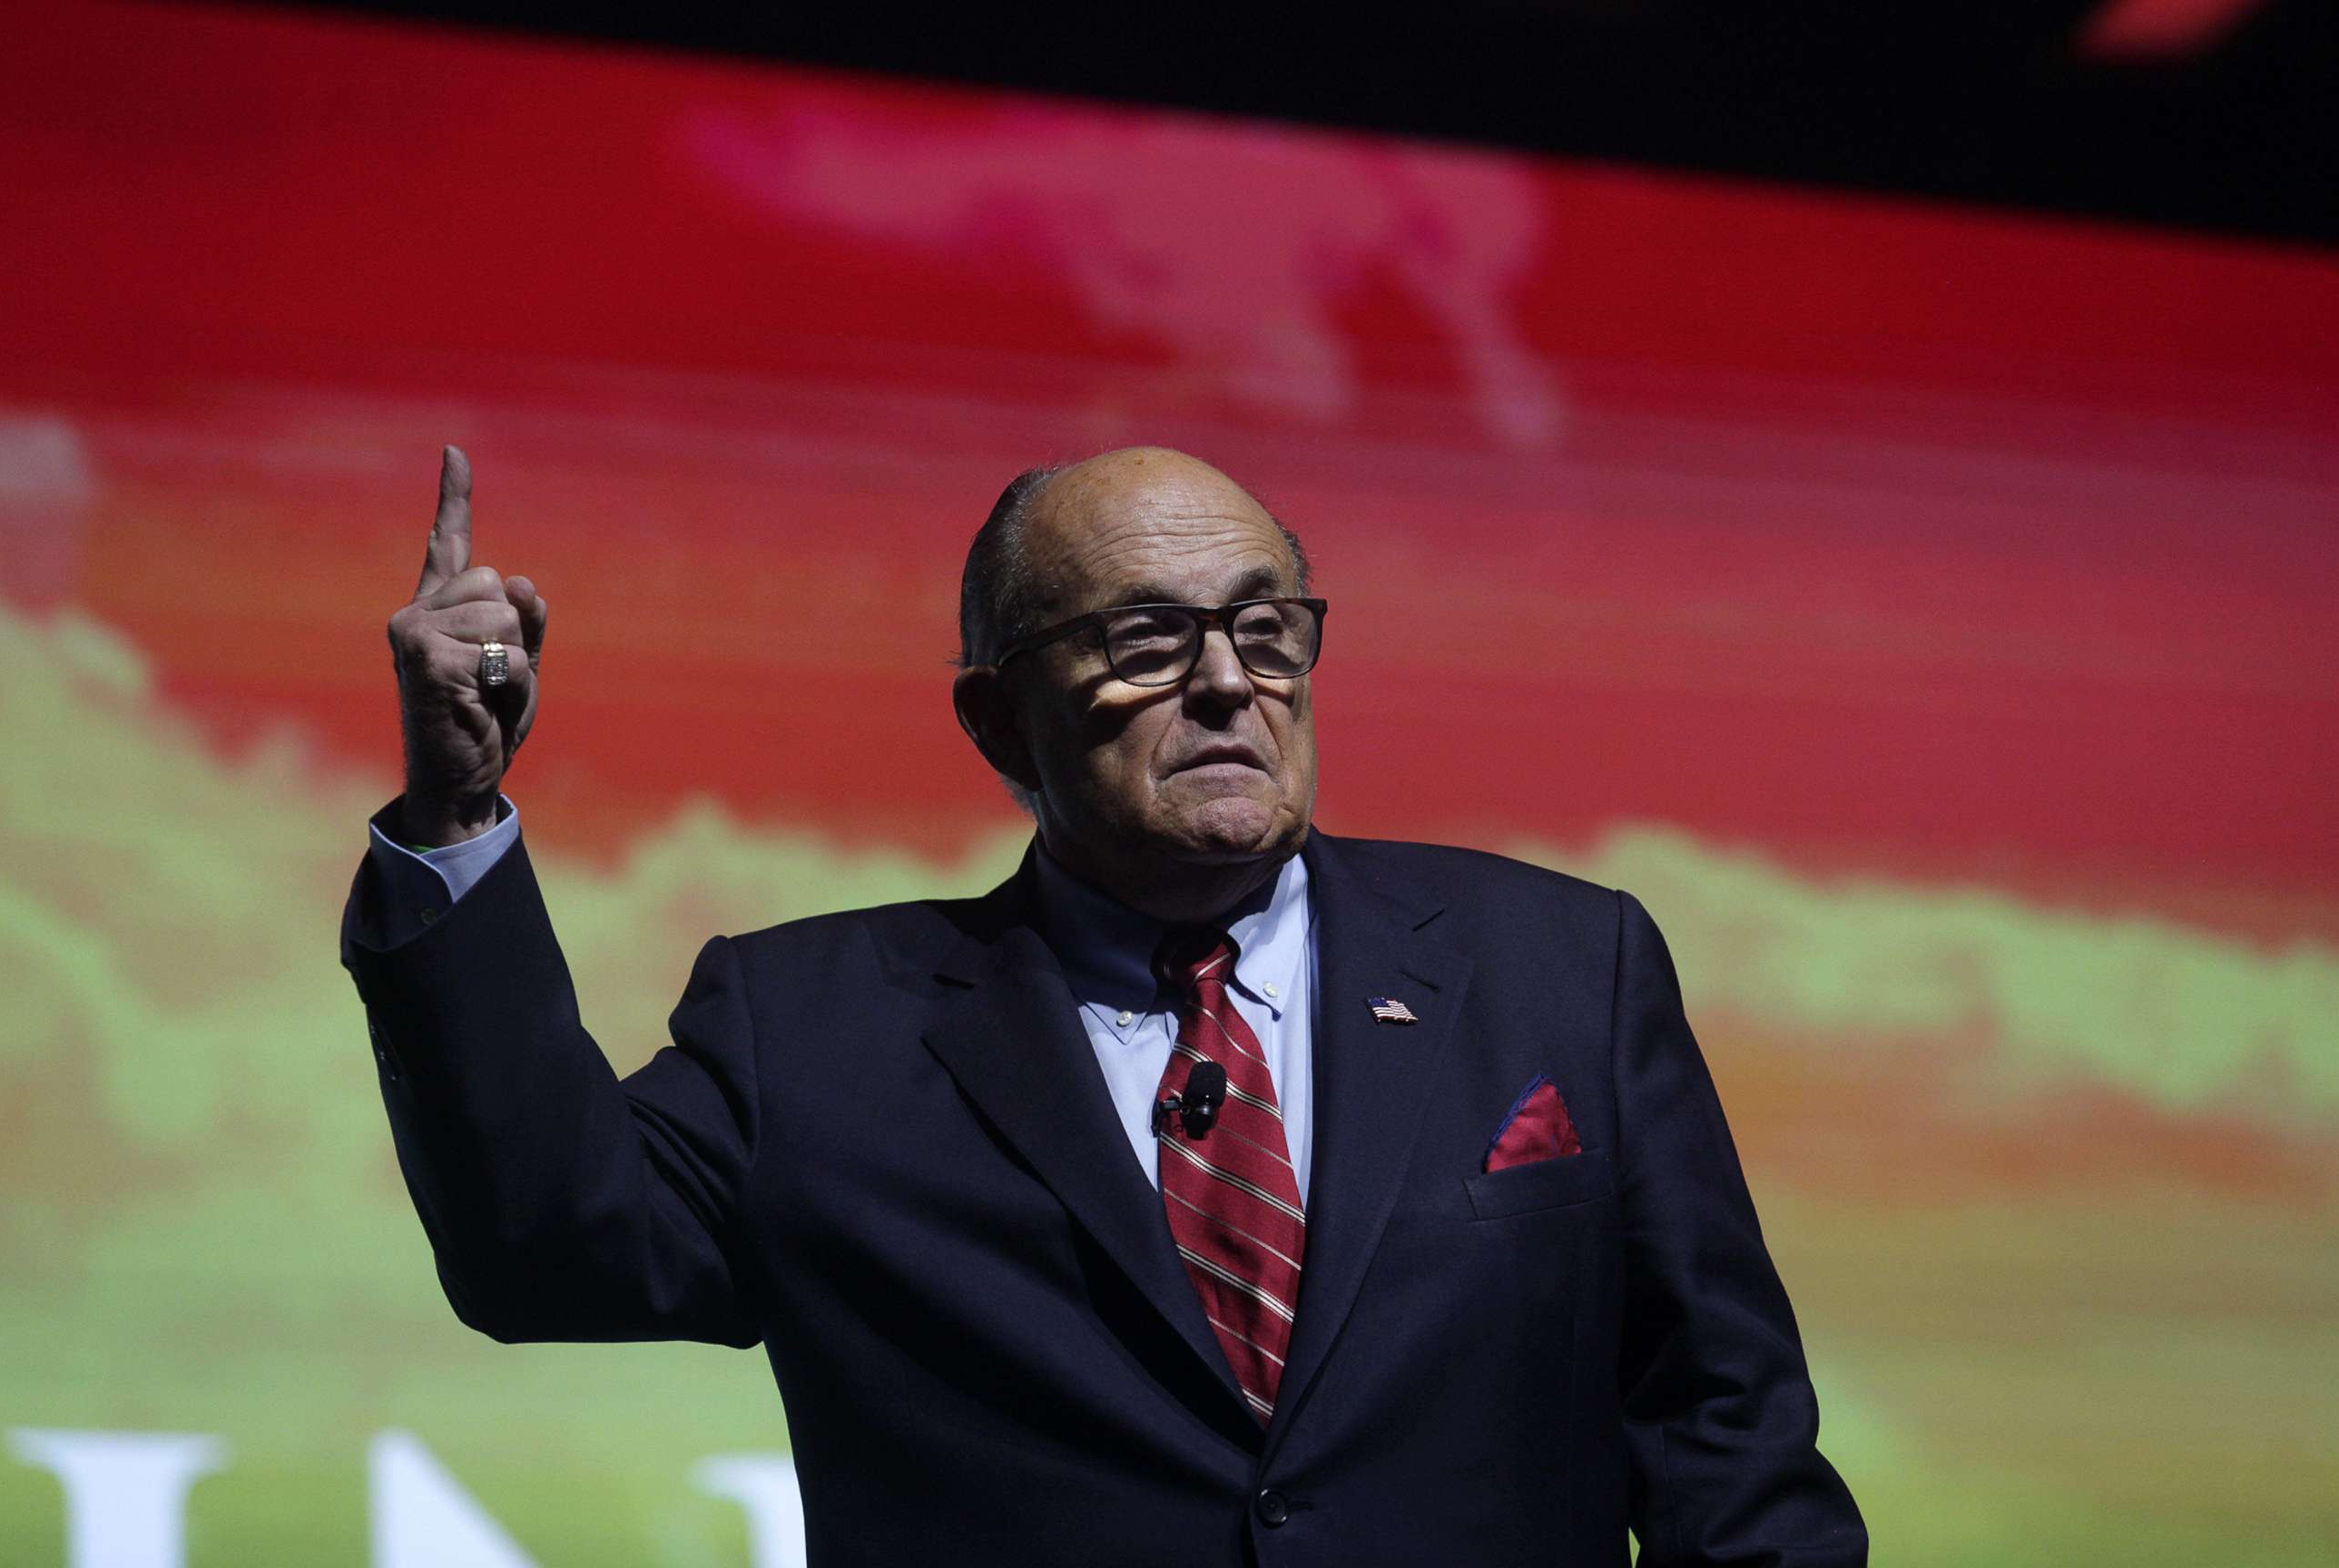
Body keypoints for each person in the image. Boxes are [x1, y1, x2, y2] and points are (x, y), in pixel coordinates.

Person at [341, 444, 1868, 1566]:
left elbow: (1722, 1428)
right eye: (1146, 641)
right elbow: (542, 1251)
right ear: (996, 713)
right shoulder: (811, 1029)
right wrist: (458, 816)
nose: (1226, 682)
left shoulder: (1559, 969)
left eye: (1267, 630)